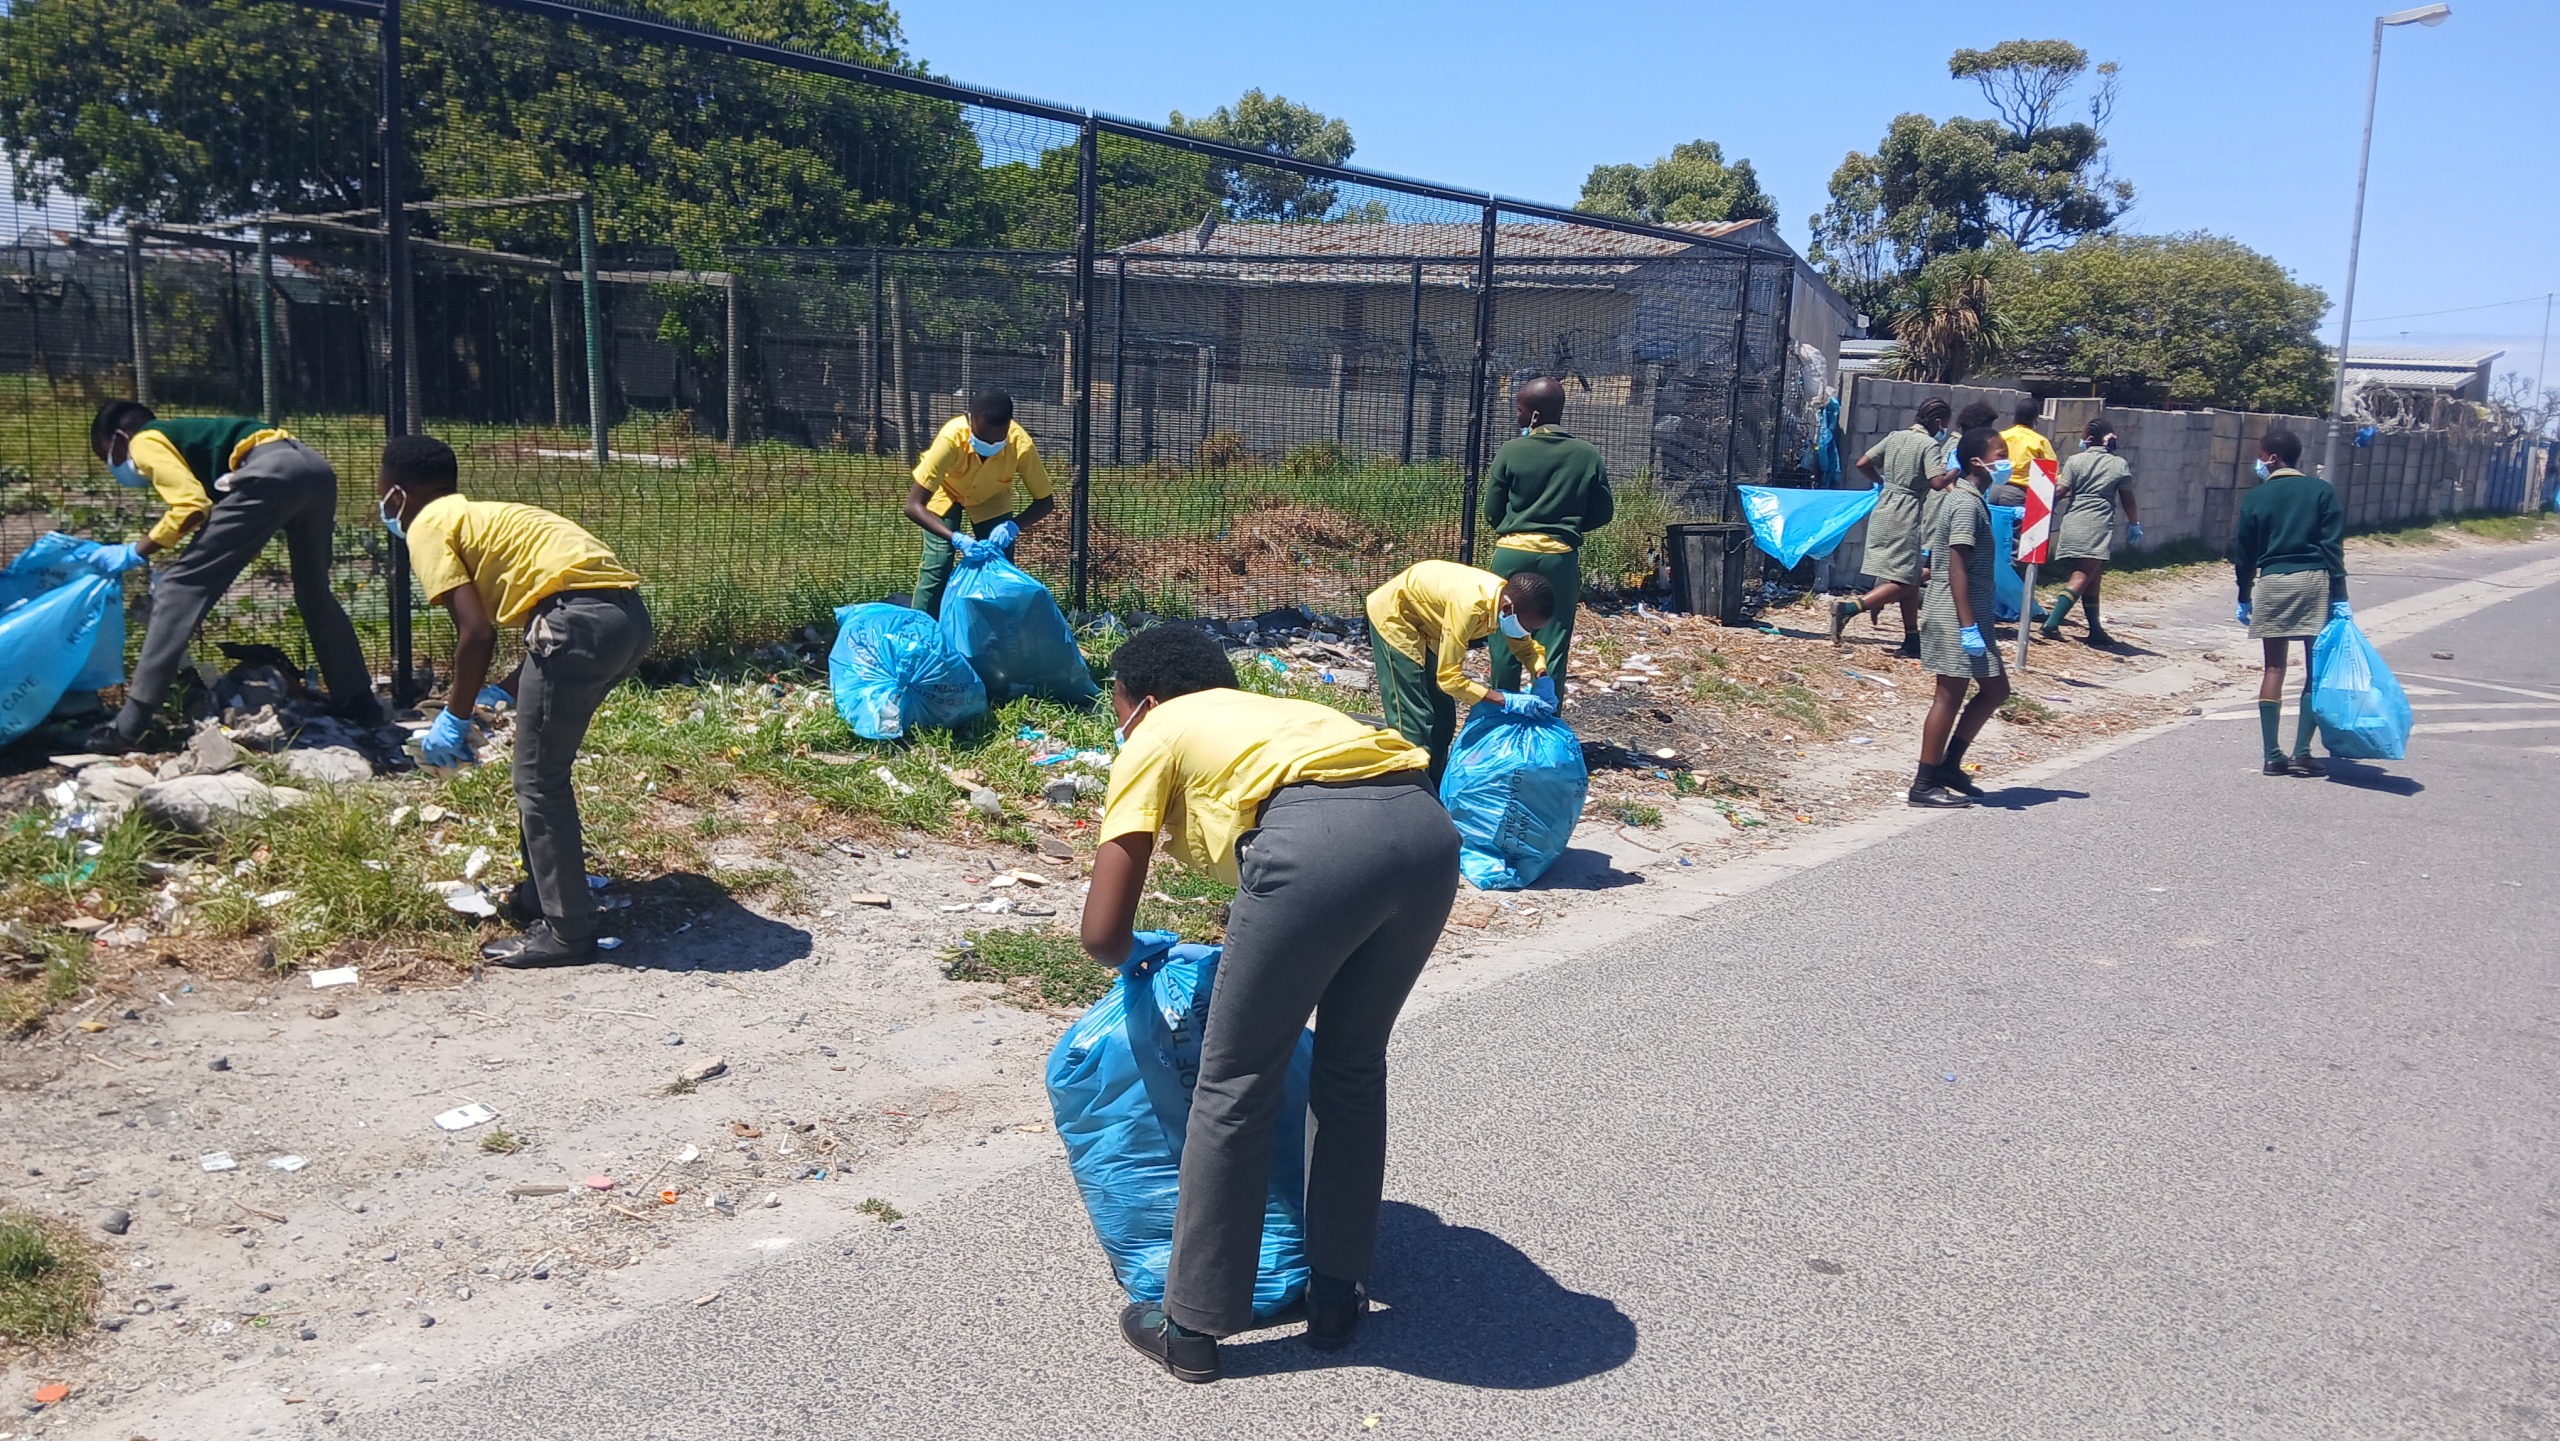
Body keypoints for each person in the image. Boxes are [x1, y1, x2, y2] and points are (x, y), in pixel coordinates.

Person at [1082, 624, 1459, 1382]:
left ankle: (1191, 1326)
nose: (1120, 721)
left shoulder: (1158, 731)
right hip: (1428, 833)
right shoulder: (1284, 715)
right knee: (1353, 1067)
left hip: (1316, 846)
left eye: (1116, 706)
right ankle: (1336, 1297)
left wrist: (1141, 958)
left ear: (1142, 701)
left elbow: (1101, 933)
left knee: (1235, 1082)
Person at [376, 435, 653, 966]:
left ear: (397, 493)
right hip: (628, 622)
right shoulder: (485, 515)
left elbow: (476, 632)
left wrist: (455, 716)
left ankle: (567, 933)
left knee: (538, 780)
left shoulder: (428, 525)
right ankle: (542, 896)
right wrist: (504, 689)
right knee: (544, 770)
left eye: (382, 493)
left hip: (575, 623)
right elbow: (575, 604)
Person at [81, 402, 376, 750]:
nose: (115, 467)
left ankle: (129, 727)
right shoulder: (191, 437)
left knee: (177, 587)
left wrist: (135, 551)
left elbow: (190, 506)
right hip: (314, 469)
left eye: (108, 456)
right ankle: (359, 702)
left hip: (270, 474)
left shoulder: (145, 440)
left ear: (120, 439)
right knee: (315, 593)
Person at [1363, 560, 1553, 782]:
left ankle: (1435, 785)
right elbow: (1449, 679)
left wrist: (1542, 676)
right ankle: (1410, 788)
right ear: (1507, 609)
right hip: (1396, 617)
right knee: (1413, 719)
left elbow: (1525, 648)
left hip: (1428, 624)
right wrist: (1504, 700)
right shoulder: (1470, 607)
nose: (1526, 632)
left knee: (1443, 719)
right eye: (1526, 627)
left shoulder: (1507, 602)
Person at [2231, 427, 2348, 777]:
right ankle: (2302, 751)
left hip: (2272, 582)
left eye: (2259, 455)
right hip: (2313, 581)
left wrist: (2244, 595)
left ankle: (2272, 755)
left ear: (2272, 458)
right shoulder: (2322, 491)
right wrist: (2340, 595)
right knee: (2315, 669)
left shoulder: (2255, 497)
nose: (2258, 462)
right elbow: (2332, 547)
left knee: (2273, 668)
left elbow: (2244, 554)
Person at [1483, 376, 1611, 692]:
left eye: (1520, 410)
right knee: (1554, 639)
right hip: (1559, 557)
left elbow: (1492, 511)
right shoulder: (1587, 454)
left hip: (1512, 555)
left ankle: (1503, 709)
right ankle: (1546, 710)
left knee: (1504, 633)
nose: (1517, 415)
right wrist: (1567, 528)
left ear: (1535, 415)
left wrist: (1515, 524)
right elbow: (1603, 512)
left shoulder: (1511, 451)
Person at [1909, 426, 2014, 808]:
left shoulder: (1973, 500)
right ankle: (1923, 784)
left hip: (1971, 612)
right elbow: (1956, 568)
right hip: (1956, 613)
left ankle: (1949, 766)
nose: (2006, 461)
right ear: (1977, 462)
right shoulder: (1966, 504)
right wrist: (1967, 626)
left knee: (1996, 690)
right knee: (1948, 696)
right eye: (2000, 455)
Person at [905, 389, 1053, 617]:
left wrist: (1012, 526)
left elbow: (1045, 501)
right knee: (938, 563)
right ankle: (922, 626)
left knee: (998, 563)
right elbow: (913, 506)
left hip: (991, 497)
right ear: (970, 419)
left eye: (998, 440)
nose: (990, 445)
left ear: (1009, 426)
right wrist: (954, 537)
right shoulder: (951, 438)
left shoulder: (1020, 443)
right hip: (947, 491)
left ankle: (995, 627)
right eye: (983, 439)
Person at [1834, 397, 1952, 655]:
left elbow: (1863, 462)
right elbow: (1937, 483)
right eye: (1944, 424)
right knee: (1908, 581)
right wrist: (1956, 470)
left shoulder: (1895, 437)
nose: (1943, 430)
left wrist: (1882, 481)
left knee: (1908, 575)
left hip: (1885, 507)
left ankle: (1912, 637)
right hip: (1907, 513)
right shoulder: (1929, 445)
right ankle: (1850, 608)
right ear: (1936, 421)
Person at [2041, 415, 2142, 646]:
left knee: (2094, 576)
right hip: (2097, 524)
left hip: (2073, 521)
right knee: (2082, 575)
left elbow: (2060, 491)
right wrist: (2134, 523)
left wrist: (2041, 511)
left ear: (2088, 439)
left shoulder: (2074, 461)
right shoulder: (2118, 464)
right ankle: (2052, 623)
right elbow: (2127, 499)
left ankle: (2096, 630)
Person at [1994, 398, 2057, 507]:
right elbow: (2051, 470)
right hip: (2018, 494)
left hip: (1993, 489)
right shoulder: (2040, 441)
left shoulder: (2001, 436)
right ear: (2035, 418)